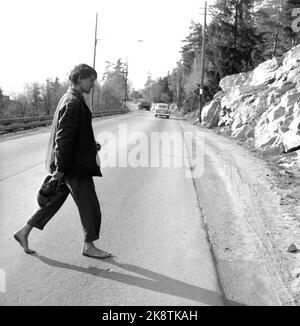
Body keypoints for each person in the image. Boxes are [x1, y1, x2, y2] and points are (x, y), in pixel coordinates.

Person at [13, 63, 111, 259]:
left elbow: (74, 133)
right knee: (90, 207)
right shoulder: (73, 102)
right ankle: (89, 246)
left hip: (70, 164)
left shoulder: (70, 99)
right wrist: (61, 168)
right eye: (91, 80)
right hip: (73, 167)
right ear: (81, 78)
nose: (93, 84)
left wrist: (91, 144)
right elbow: (63, 138)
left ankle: (24, 232)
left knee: (52, 202)